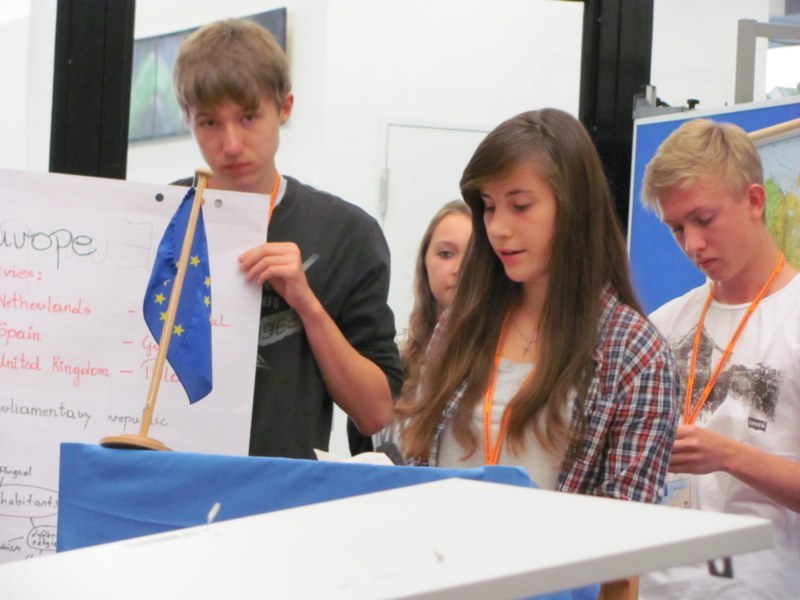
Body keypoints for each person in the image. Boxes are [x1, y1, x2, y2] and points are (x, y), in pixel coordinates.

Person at [398, 108, 681, 503]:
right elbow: (418, 465)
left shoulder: (634, 352)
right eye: (489, 206)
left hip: (560, 546)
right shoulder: (461, 322)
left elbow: (627, 522)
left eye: (520, 206)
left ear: (573, 208)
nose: (498, 228)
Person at [171, 18, 402, 459]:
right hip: (168, 477)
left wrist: (306, 303)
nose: (232, 144)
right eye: (210, 123)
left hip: (284, 490)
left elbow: (376, 413)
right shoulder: (157, 221)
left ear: (285, 107)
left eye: (248, 117)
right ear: (187, 120)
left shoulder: (347, 235)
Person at [637, 118, 800, 599]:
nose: (692, 244)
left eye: (704, 220)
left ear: (755, 201)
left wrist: (728, 456)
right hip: (652, 583)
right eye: (676, 228)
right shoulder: (663, 324)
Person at [372, 200, 472, 454]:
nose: (459, 268)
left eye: (475, 256)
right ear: (424, 263)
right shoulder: (397, 363)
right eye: (446, 254)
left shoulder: (506, 365)